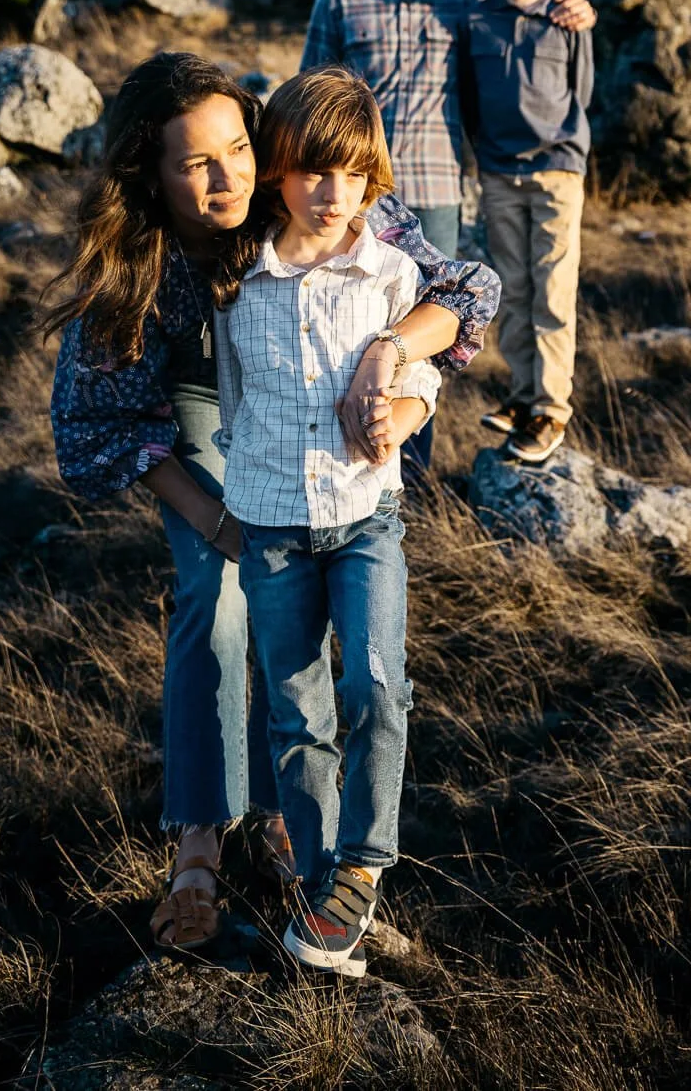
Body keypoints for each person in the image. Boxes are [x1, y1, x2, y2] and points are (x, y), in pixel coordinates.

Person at [45, 52, 500, 956]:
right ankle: (202, 839)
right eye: (196, 163)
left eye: (240, 148)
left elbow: (459, 288)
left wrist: (391, 368)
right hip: (192, 396)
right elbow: (106, 420)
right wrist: (216, 520)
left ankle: (300, 829)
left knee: (329, 648)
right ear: (151, 171)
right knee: (215, 591)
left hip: (320, 389)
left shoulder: (305, 175)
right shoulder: (141, 255)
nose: (233, 177)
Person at [214, 68, 441, 980]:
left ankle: (365, 861)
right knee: (297, 709)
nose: (330, 193)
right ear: (278, 173)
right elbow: (229, 399)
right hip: (270, 525)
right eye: (311, 171)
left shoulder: (387, 273)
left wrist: (402, 414)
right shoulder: (241, 280)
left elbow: (423, 382)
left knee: (377, 688)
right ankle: (317, 879)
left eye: (349, 175)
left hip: (364, 518)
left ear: (373, 180)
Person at [300, 0, 596, 468]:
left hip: (436, 191)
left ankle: (408, 469)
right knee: (343, 327)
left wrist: (571, 5)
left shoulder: (466, 0)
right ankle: (335, 461)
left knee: (424, 336)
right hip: (356, 197)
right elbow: (309, 96)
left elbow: (525, 5)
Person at [465, 0, 594, 464]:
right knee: (513, 289)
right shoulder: (475, 20)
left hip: (556, 172)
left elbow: (580, 90)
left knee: (553, 291)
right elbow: (469, 97)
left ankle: (550, 410)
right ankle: (521, 395)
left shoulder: (565, 18)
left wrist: (558, 145)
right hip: (498, 173)